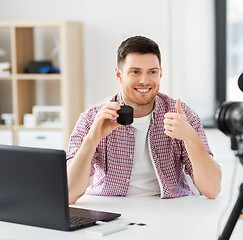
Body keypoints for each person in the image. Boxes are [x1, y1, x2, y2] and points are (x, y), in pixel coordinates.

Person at [66, 36, 222, 204]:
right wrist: (92, 139)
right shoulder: (93, 117)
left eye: (152, 72)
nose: (144, 80)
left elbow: (212, 189)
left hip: (171, 210)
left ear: (160, 73)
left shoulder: (181, 115)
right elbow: (68, 193)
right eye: (135, 72)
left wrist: (190, 137)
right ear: (119, 75)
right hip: (111, 208)